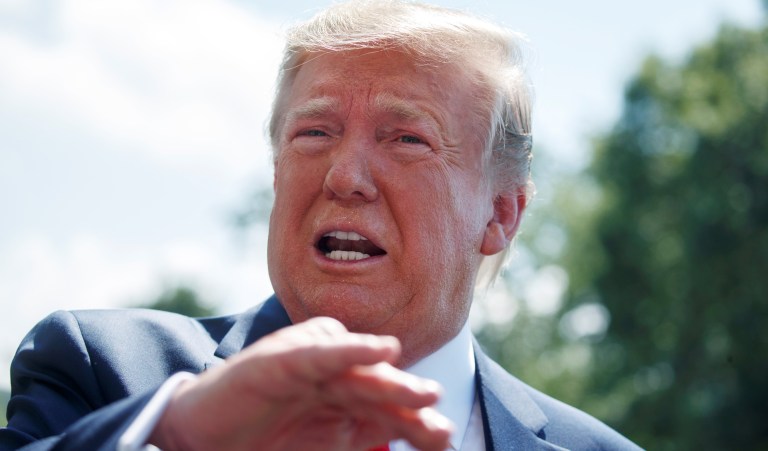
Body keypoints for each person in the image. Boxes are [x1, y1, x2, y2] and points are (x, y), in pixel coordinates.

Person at [1, 1, 641, 450]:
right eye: (314, 132)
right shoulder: (102, 374)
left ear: (501, 213)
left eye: (406, 139)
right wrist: (177, 439)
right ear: (277, 172)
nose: (344, 175)